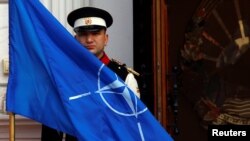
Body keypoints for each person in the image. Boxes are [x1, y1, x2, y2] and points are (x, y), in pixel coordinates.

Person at [41, 6, 141, 141]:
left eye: (95, 33)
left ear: (106, 38)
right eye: (83, 34)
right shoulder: (62, 78)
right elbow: (51, 127)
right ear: (75, 38)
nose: (89, 40)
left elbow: (134, 126)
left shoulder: (124, 78)